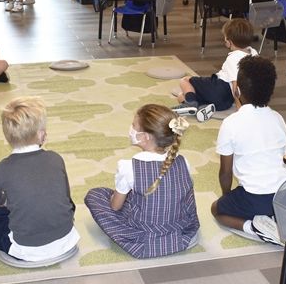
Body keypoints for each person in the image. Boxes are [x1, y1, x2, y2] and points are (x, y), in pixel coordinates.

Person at [0, 97, 79, 264]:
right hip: (66, 238)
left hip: (26, 248)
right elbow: (67, 201)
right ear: (41, 135)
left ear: (7, 137)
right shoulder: (56, 159)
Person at [84, 104, 199, 259]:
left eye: (133, 126)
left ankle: (146, 241)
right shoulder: (183, 161)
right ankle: (173, 239)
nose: (130, 129)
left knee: (96, 195)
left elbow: (115, 206)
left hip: (143, 238)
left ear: (145, 137)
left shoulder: (128, 166)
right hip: (181, 233)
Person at [211, 56, 286, 244]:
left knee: (217, 209)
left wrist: (227, 196)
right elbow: (283, 159)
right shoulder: (278, 118)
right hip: (285, 195)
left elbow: (225, 172)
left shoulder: (231, 123)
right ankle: (278, 220)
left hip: (255, 197)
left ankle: (254, 228)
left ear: (236, 89)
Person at [173, 18, 257, 119]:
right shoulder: (254, 54)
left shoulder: (233, 58)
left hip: (219, 87)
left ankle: (191, 104)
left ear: (229, 41)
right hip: (226, 102)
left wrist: (240, 110)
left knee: (185, 81)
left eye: (225, 37)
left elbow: (235, 87)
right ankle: (203, 107)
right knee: (181, 96)